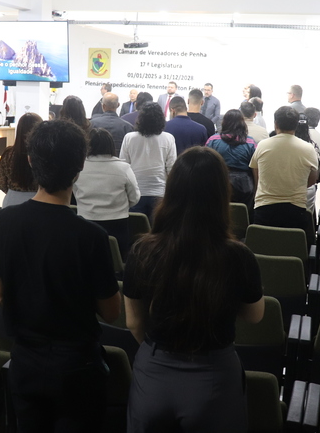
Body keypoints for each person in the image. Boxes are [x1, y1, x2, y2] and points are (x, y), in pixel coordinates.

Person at [0, 119, 121, 433]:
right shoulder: (92, 236)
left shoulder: (4, 222)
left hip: (24, 362)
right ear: (79, 167)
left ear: (31, 161)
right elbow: (111, 312)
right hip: (77, 368)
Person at [123, 146, 264, 433]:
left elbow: (134, 322)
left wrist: (158, 354)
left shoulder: (142, 250)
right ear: (221, 194)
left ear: (171, 190)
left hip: (154, 372)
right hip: (214, 376)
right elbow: (254, 315)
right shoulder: (239, 256)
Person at [249, 106, 319, 246]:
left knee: (263, 249)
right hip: (296, 210)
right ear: (296, 125)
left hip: (264, 208)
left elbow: (257, 176)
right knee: (291, 249)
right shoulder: (308, 148)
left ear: (275, 124)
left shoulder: (263, 145)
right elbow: (312, 180)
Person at [73, 127, 141, 260]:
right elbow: (135, 197)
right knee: (117, 260)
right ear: (111, 145)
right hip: (117, 224)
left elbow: (75, 192)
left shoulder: (79, 167)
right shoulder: (123, 168)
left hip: (85, 220)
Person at [120, 103, 177, 222]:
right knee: (157, 229)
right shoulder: (168, 138)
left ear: (140, 119)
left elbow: (123, 167)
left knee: (137, 229)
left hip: (135, 193)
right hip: (159, 192)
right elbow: (171, 168)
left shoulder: (129, 138)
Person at [206, 109, 257, 215]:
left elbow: (206, 164)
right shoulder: (250, 142)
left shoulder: (213, 140)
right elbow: (255, 168)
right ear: (242, 123)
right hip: (245, 185)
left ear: (224, 122)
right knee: (243, 215)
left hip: (220, 182)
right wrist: (256, 189)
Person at [0, 112, 42, 208]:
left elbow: (1, 183)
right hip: (39, 200)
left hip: (11, 201)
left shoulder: (8, 154)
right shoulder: (44, 155)